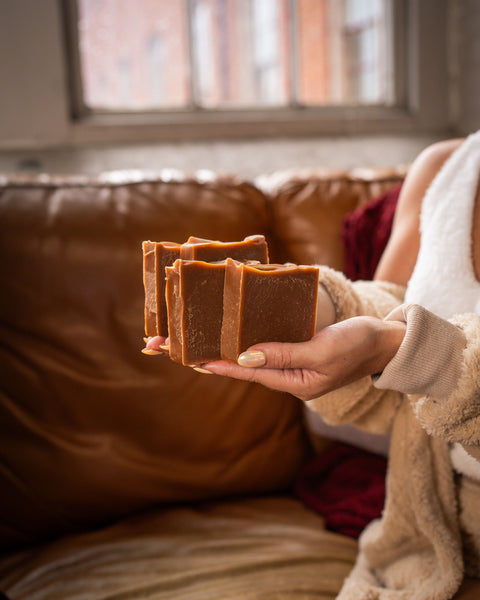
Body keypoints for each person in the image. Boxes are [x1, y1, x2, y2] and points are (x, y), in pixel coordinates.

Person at [146, 132, 480, 600]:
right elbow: (392, 312)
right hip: (423, 540)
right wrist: (311, 308)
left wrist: (402, 348)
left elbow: (397, 340)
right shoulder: (448, 167)